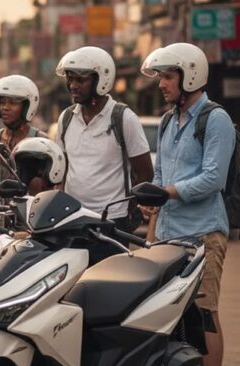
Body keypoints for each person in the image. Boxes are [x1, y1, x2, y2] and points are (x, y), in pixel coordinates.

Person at [141, 43, 235, 366]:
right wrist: (152, 208)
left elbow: (214, 177)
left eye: (168, 76)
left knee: (204, 318)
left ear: (190, 75)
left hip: (203, 233)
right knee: (165, 318)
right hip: (167, 233)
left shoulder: (216, 120)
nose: (162, 84)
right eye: (160, 76)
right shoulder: (166, 121)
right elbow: (161, 175)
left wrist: (169, 192)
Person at [55, 46, 153, 264]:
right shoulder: (66, 118)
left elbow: (145, 171)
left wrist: (128, 210)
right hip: (73, 220)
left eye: (80, 80)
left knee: (107, 290)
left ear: (102, 80)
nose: (73, 86)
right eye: (70, 79)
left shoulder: (123, 117)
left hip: (111, 224)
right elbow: (60, 170)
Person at [0, 75, 50, 197]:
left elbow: (47, 191)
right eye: (2, 102)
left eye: (12, 103)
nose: (5, 108)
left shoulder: (41, 141)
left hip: (29, 212)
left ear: (27, 107)